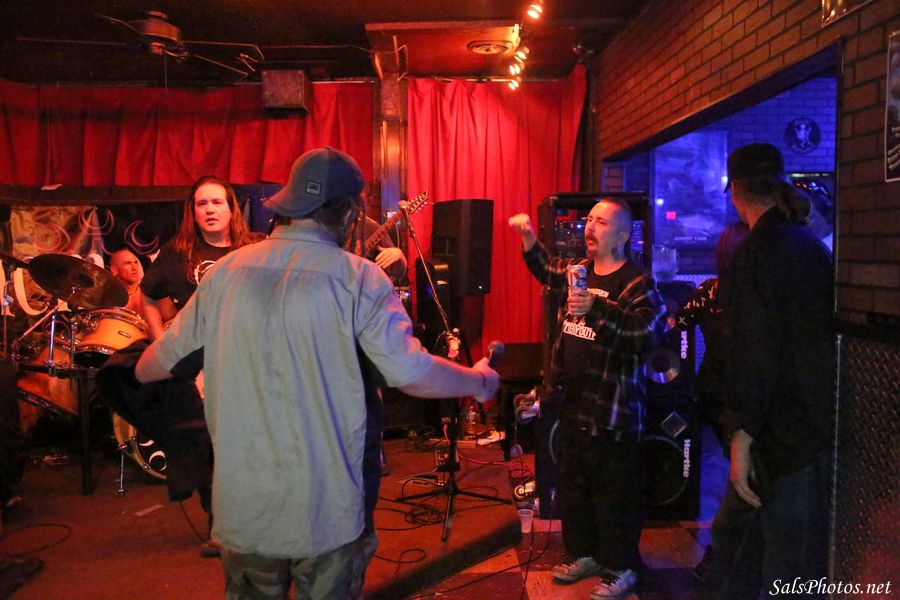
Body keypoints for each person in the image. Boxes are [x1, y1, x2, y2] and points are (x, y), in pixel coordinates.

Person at [135, 147, 500, 600]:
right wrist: (479, 382)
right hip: (326, 514)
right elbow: (411, 372)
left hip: (244, 510)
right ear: (349, 213)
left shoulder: (223, 274)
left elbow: (151, 367)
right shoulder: (361, 279)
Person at [509, 199, 665, 598]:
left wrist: (598, 309)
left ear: (623, 235)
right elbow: (546, 269)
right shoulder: (578, 271)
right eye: (589, 219)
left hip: (613, 411)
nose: (590, 227)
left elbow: (644, 335)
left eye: (601, 222)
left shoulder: (637, 283)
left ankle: (622, 566)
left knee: (616, 495)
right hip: (574, 405)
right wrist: (527, 235)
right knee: (576, 490)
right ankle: (586, 554)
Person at [698, 143, 833, 599]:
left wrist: (741, 436)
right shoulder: (808, 246)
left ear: (735, 193)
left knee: (779, 558)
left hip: (778, 433)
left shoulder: (755, 255)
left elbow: (753, 355)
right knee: (780, 548)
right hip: (811, 421)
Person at [140, 175, 261, 339]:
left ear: (231, 210)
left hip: (245, 346)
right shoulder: (176, 252)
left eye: (217, 202)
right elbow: (148, 294)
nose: (210, 210)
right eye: (202, 204)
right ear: (193, 213)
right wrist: (158, 340)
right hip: (195, 349)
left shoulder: (256, 249)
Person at [672, 221, 749, 451]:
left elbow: (679, 322)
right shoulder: (760, 294)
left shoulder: (710, 291)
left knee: (731, 450)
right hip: (746, 387)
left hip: (715, 385)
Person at [108, 248, 145, 314]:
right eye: (128, 263)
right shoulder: (110, 300)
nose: (134, 267)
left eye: (136, 262)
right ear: (114, 270)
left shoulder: (149, 292)